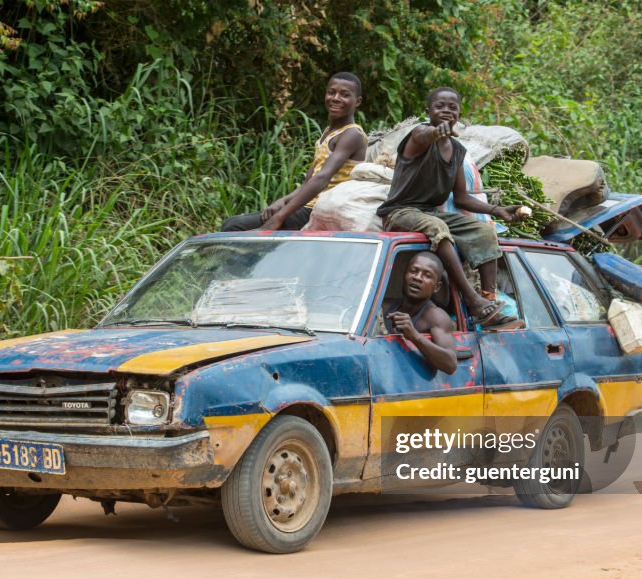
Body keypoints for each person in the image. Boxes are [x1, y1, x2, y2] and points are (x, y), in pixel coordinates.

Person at [376, 87, 525, 329]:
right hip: (401, 212)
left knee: (485, 231)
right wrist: (436, 132)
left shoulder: (457, 150)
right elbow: (424, 135)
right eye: (439, 106)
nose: (446, 111)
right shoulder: (419, 135)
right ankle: (472, 299)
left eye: (452, 107)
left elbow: (462, 198)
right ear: (428, 111)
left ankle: (488, 301)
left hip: (429, 212)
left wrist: (497, 211)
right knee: (438, 227)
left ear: (459, 113)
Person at [221, 72, 368, 232]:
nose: (335, 98)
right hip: (308, 205)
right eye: (331, 92)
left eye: (345, 95)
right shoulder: (328, 132)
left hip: (320, 210)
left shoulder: (352, 134)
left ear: (357, 101)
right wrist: (282, 201)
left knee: (234, 226)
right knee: (234, 223)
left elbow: (321, 178)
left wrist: (279, 217)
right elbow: (308, 182)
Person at [385, 251, 458, 374]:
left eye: (427, 275)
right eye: (413, 271)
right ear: (405, 274)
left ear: (437, 287)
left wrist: (414, 335)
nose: (417, 277)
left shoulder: (436, 316)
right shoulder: (385, 306)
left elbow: (450, 364)